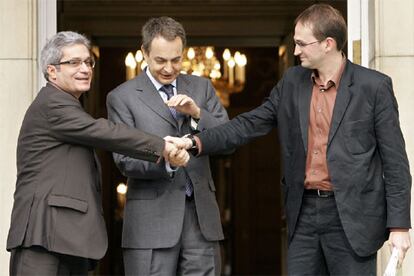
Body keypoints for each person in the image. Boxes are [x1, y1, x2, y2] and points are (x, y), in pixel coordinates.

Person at [176, 4, 412, 275]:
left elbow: (396, 163)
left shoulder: (374, 87)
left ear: (328, 44)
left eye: (301, 43)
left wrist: (399, 226)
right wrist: (194, 142)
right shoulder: (291, 82)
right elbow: (248, 124)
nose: (295, 50)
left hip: (354, 218)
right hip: (304, 215)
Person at [6, 31, 189, 276]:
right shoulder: (53, 103)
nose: (85, 68)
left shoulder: (68, 105)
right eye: (74, 62)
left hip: (66, 238)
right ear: (52, 72)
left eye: (88, 62)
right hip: (44, 236)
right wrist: (162, 146)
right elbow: (105, 132)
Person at [106, 17, 229, 276]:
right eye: (160, 60)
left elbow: (228, 140)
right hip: (150, 223)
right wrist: (168, 161)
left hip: (201, 220)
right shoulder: (122, 97)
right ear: (144, 53)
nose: (169, 68)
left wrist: (197, 114)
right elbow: (124, 160)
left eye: (176, 60)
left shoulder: (201, 87)